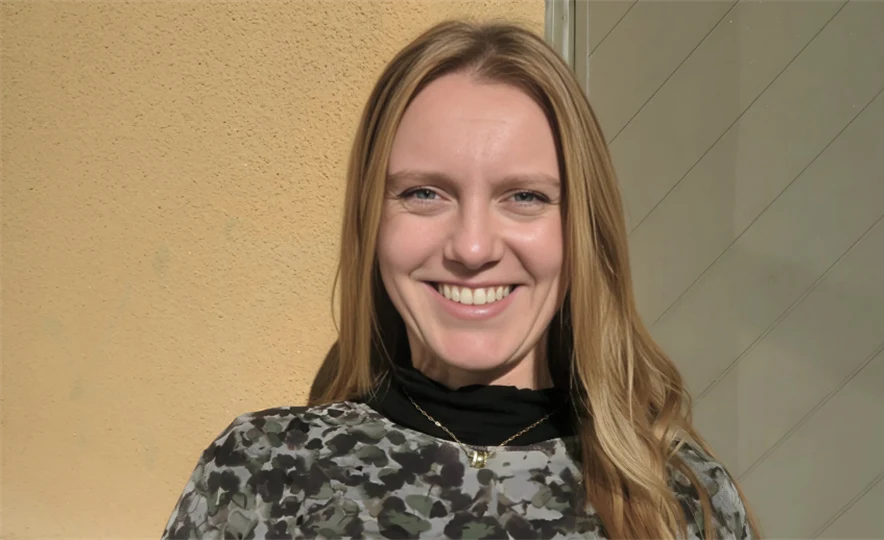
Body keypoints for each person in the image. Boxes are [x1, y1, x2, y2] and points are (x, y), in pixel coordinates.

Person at [162, 20, 760, 540]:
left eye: (525, 197)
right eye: (424, 193)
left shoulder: (682, 502)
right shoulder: (261, 473)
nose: (472, 248)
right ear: (372, 223)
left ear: (583, 230)